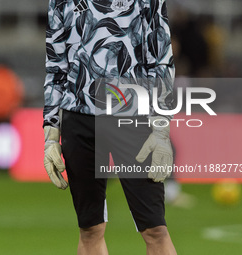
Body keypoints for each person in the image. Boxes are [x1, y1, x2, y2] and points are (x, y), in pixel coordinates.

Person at [43, 0, 177, 254]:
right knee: (90, 229)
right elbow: (55, 66)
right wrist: (51, 135)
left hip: (132, 117)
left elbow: (161, 60)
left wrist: (160, 128)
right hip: (78, 118)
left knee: (155, 229)